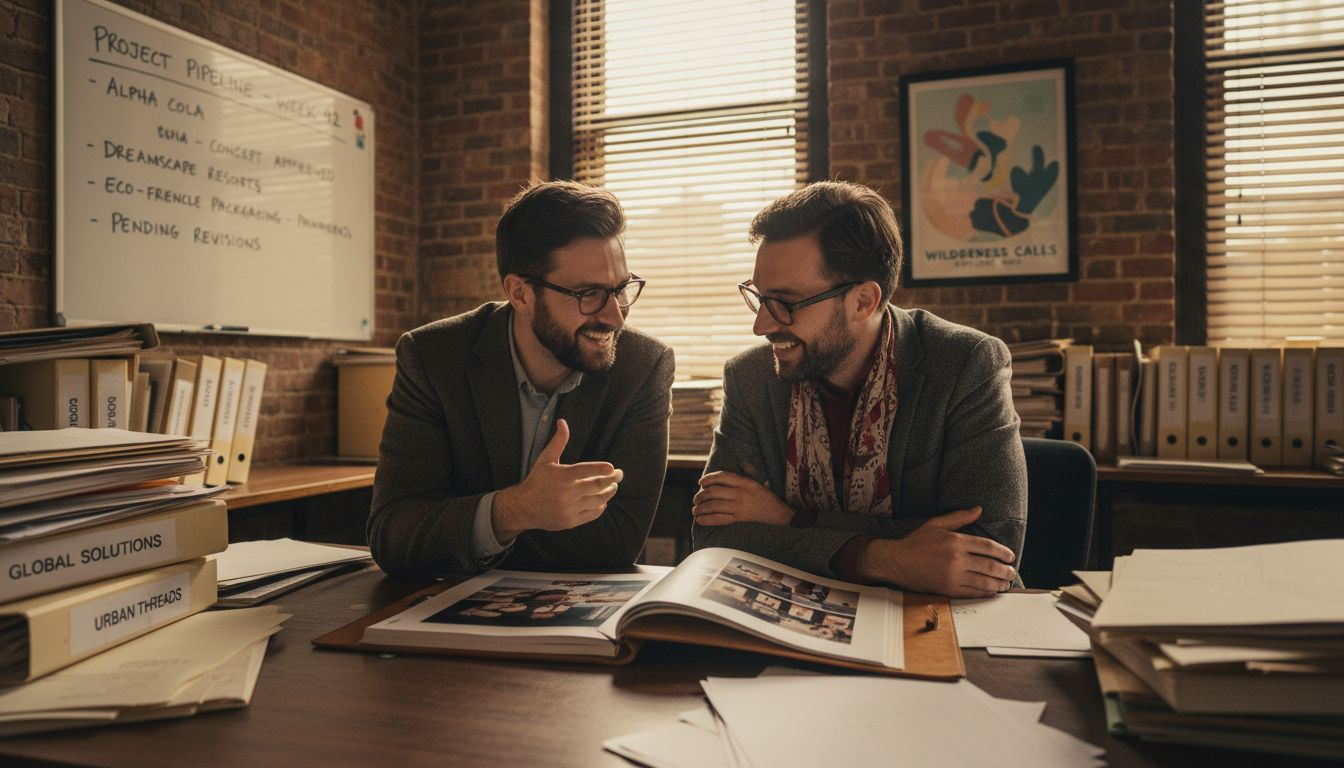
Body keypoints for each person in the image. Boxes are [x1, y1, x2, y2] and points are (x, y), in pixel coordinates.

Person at [691, 181, 1026, 598]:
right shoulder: (750, 377)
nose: (761, 325)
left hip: (941, 616)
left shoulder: (965, 364)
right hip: (790, 613)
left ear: (863, 301)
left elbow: (990, 549)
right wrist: (882, 557)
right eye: (759, 297)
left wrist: (789, 520)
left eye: (786, 303)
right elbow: (714, 538)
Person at [368, 180, 675, 577]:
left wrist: (469, 529)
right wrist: (516, 511)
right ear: (521, 294)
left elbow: (617, 543)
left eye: (620, 289)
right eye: (589, 294)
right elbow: (393, 535)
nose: (615, 316)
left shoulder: (643, 366)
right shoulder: (433, 357)